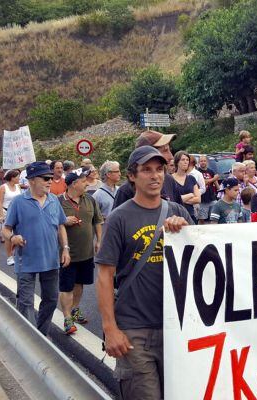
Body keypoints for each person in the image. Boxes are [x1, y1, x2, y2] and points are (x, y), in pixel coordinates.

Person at [95, 146, 190, 399]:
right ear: (132, 176)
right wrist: (110, 328)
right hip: (135, 331)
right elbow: (104, 275)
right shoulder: (119, 218)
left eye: (159, 169)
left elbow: (201, 261)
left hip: (176, 328)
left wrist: (186, 231)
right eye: (146, 170)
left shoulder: (178, 212)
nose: (155, 176)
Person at [2, 161, 70, 336]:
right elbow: (5, 229)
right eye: (46, 178)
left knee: (51, 300)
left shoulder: (54, 200)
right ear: (32, 180)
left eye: (51, 177)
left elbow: (61, 225)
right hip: (26, 262)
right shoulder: (18, 202)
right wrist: (13, 237)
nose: (50, 181)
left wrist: (66, 249)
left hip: (51, 261)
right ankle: (30, 338)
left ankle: (41, 335)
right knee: (25, 302)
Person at [59, 170, 103, 335]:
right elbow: (53, 223)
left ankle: (75, 309)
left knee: (79, 284)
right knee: (67, 286)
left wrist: (99, 240)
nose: (87, 183)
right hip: (66, 254)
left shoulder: (90, 199)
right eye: (84, 181)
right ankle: (67, 317)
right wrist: (64, 221)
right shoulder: (58, 201)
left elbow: (97, 221)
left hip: (86, 252)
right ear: (73, 184)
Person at [112, 129, 178, 209]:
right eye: (165, 151)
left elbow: (180, 213)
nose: (171, 157)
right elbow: (117, 219)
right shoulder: (125, 191)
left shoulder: (169, 180)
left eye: (169, 150)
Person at [172, 151, 201, 223]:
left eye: (187, 160)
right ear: (177, 162)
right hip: (175, 217)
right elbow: (170, 200)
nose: (185, 162)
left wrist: (179, 200)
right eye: (183, 160)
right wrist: (190, 195)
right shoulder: (170, 179)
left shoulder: (191, 178)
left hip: (190, 215)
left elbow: (198, 199)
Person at [196, 155, 219, 225]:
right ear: (199, 162)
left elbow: (216, 183)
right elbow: (203, 183)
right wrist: (213, 179)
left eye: (204, 161)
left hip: (212, 198)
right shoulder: (197, 172)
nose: (203, 162)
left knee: (214, 218)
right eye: (201, 161)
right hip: (202, 199)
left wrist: (220, 190)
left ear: (207, 162)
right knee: (202, 219)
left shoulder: (211, 171)